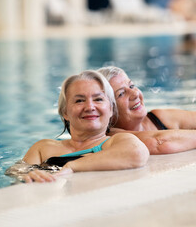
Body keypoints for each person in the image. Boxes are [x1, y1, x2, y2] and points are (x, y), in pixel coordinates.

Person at [19, 70, 149, 183]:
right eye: (79, 101)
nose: (90, 107)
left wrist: (73, 166)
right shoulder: (43, 148)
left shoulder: (115, 142)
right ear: (65, 112)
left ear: (110, 109)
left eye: (98, 99)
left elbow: (137, 153)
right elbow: (16, 174)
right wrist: (28, 175)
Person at [97, 66, 196, 154]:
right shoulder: (113, 136)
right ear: (109, 109)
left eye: (132, 86)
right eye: (121, 94)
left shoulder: (157, 117)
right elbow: (162, 143)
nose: (135, 94)